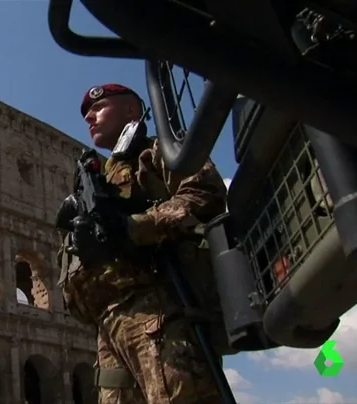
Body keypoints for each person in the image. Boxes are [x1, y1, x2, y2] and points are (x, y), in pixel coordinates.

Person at [56, 83, 229, 403]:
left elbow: (205, 197)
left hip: (159, 309)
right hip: (109, 326)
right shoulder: (104, 179)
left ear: (131, 111)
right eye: (86, 114)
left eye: (98, 108)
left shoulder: (161, 151)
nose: (89, 118)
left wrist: (131, 228)